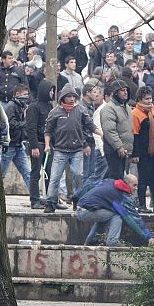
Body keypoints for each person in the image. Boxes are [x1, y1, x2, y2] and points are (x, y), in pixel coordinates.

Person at [43, 85, 101, 213]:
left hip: (76, 150)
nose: (71, 99)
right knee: (54, 178)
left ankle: (78, 200)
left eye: (74, 96)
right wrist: (47, 145)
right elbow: (47, 131)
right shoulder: (55, 112)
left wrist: (101, 133)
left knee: (78, 175)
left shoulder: (80, 110)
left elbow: (90, 125)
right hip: (60, 150)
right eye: (69, 96)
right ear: (63, 98)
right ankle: (51, 202)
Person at [73, 174, 154, 247]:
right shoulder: (122, 197)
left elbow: (89, 186)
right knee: (117, 214)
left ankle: (92, 240)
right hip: (85, 211)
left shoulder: (109, 182)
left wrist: (76, 197)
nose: (136, 188)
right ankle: (112, 242)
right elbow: (134, 219)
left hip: (81, 207)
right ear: (127, 184)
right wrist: (148, 237)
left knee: (107, 213)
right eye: (134, 185)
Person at [132, 86, 154, 213]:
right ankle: (142, 205)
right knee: (143, 179)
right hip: (144, 152)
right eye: (146, 99)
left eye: (150, 98)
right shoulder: (135, 113)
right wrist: (135, 153)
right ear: (140, 99)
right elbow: (135, 134)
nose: (149, 101)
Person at [26, 80, 55, 209]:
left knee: (50, 172)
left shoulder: (49, 106)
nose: (52, 93)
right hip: (37, 143)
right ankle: (35, 200)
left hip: (48, 144)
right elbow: (31, 127)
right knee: (36, 172)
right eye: (50, 90)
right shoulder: (34, 107)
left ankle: (51, 199)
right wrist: (34, 146)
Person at [0, 84, 31, 194]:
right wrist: (25, 123)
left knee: (28, 173)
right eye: (24, 94)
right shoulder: (11, 106)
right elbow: (11, 124)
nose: (26, 97)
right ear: (17, 94)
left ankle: (34, 197)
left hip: (18, 145)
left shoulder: (21, 106)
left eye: (27, 94)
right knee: (0, 174)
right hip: (9, 146)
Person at [100, 79, 133, 179]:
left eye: (126, 90)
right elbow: (109, 131)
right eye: (122, 90)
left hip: (125, 151)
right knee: (115, 178)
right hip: (114, 150)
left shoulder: (126, 107)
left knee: (116, 177)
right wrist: (119, 147)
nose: (125, 92)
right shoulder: (109, 108)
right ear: (115, 93)